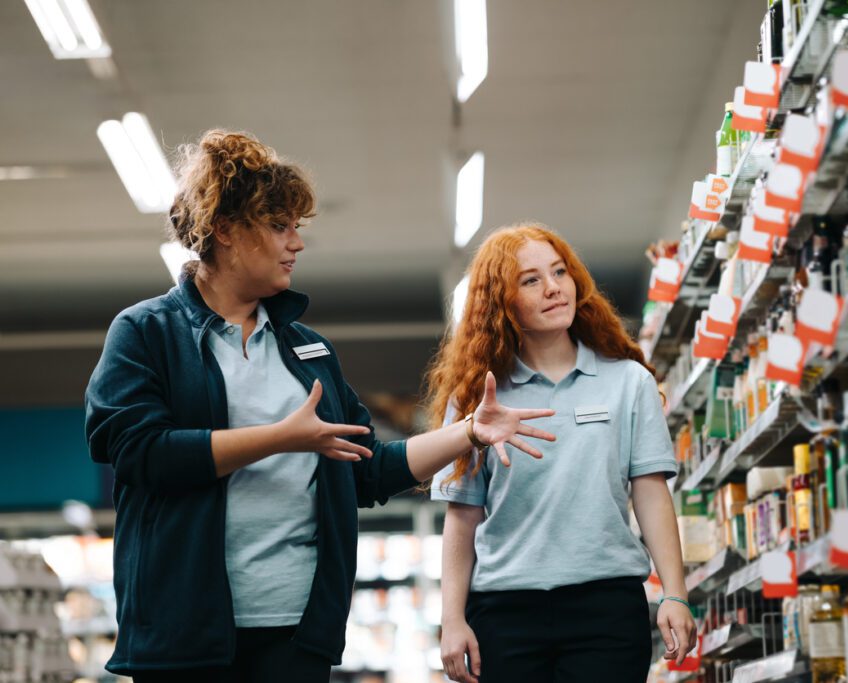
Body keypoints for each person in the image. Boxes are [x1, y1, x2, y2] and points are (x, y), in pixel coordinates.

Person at [84, 130, 555, 683]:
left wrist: (469, 433)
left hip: (296, 631)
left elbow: (367, 468)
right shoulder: (146, 333)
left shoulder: (306, 349)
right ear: (226, 231)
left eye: (296, 228)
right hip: (182, 630)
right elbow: (138, 453)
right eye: (279, 227)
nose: (296, 243)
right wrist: (282, 437)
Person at [427, 224, 698, 683]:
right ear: (503, 302)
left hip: (607, 607)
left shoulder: (628, 382)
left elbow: (650, 490)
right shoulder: (477, 395)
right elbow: (463, 513)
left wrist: (675, 592)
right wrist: (452, 620)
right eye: (531, 280)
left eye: (560, 272)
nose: (554, 288)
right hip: (505, 611)